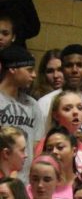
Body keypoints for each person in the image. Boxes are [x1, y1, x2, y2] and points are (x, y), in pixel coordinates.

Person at [0, 46, 43, 176]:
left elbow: (36, 146)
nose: (34, 75)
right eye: (29, 70)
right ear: (13, 69)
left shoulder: (33, 105)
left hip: (23, 182)